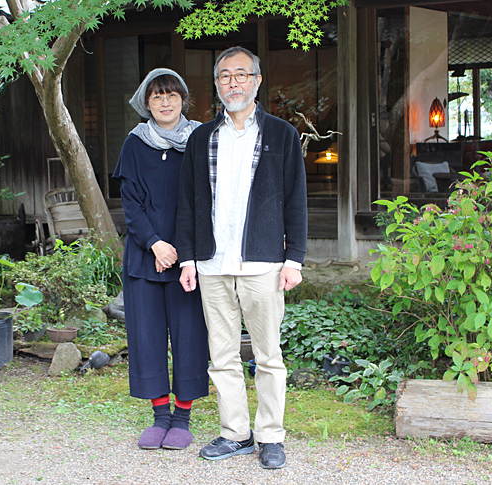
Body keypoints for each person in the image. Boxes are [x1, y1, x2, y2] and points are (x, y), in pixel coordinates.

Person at [175, 47, 307, 469]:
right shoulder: (201, 139)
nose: (234, 83)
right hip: (212, 266)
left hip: (263, 263)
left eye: (241, 75)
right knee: (223, 357)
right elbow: (189, 204)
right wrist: (188, 260)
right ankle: (236, 433)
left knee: (268, 356)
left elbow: (296, 202)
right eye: (225, 76)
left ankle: (271, 435)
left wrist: (295, 259)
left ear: (257, 81)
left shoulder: (282, 135)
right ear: (217, 85)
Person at [112, 68, 209, 451]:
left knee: (190, 336)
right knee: (147, 338)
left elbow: (207, 199)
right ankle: (159, 415)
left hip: (189, 259)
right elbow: (130, 204)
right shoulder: (135, 144)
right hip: (144, 257)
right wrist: (155, 244)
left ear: (183, 99)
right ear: (146, 103)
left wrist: (182, 251)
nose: (165, 102)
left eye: (171, 95)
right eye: (157, 96)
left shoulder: (200, 139)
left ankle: (182, 416)